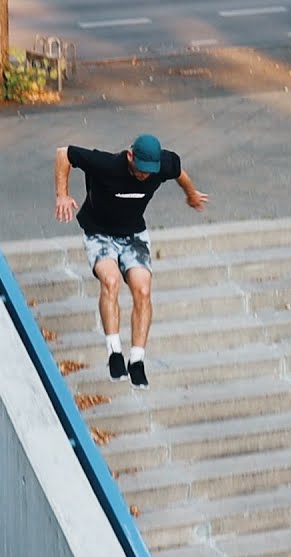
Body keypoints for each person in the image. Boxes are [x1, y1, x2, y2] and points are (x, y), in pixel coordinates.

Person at [54, 134, 209, 388]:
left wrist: (191, 194)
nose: (144, 176)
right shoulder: (106, 164)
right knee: (111, 280)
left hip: (134, 234)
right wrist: (62, 194)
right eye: (140, 171)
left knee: (143, 289)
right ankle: (114, 351)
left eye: (149, 172)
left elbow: (180, 172)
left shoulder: (164, 165)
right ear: (130, 157)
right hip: (99, 232)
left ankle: (136, 360)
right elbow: (64, 153)